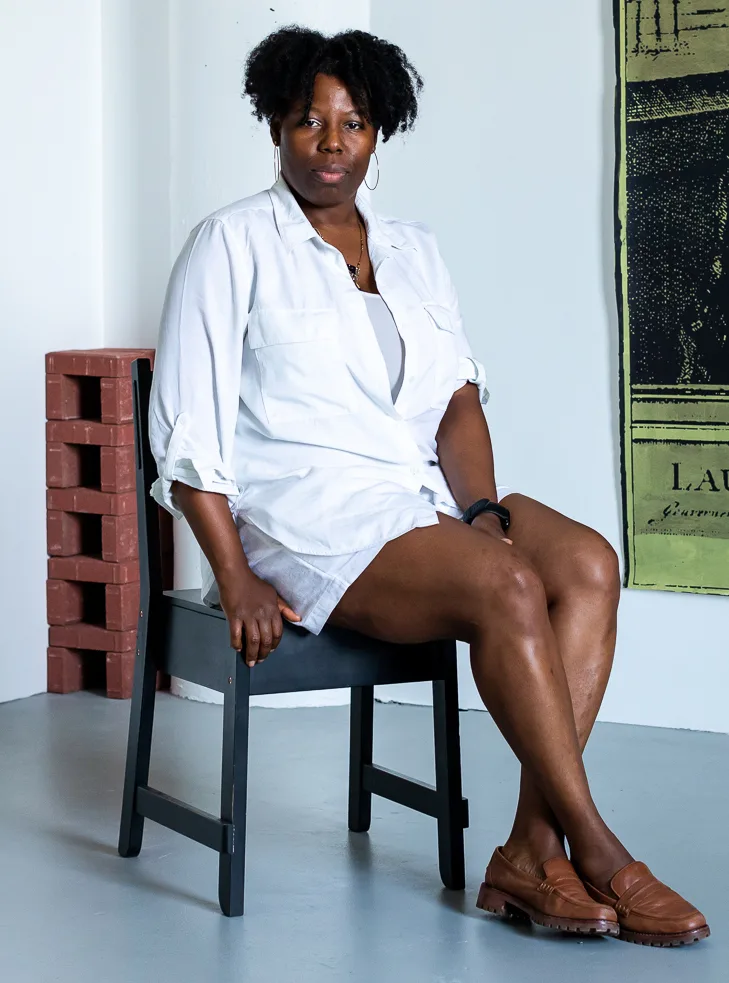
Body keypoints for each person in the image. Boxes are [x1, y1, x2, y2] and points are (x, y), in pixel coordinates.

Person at [148, 25, 709, 947]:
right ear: (276, 124)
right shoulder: (230, 243)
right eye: (310, 121)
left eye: (354, 123)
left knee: (587, 563)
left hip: (417, 499)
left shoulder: (413, 249)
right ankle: (599, 848)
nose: (332, 143)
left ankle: (529, 850)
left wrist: (481, 510)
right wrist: (234, 574)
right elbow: (186, 437)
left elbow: (454, 402)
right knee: (508, 586)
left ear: (380, 132)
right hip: (306, 515)